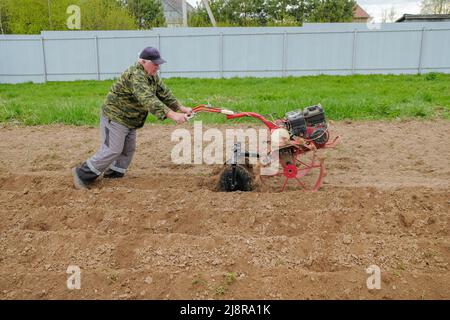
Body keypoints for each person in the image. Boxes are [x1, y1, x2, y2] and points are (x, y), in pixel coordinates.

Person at [72, 46, 192, 189]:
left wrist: (181, 108)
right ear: (143, 61)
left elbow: (163, 92)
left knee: (128, 150)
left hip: (130, 120)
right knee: (113, 150)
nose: (158, 67)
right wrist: (172, 115)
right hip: (115, 117)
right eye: (155, 64)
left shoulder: (151, 75)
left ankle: (114, 175)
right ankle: (82, 174)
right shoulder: (136, 76)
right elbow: (148, 99)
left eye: (158, 64)